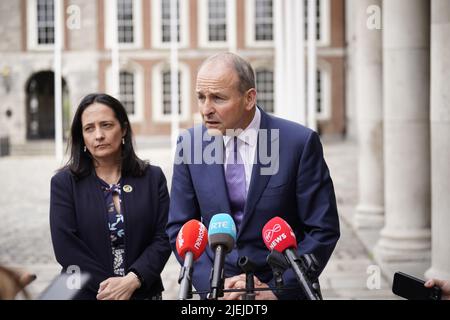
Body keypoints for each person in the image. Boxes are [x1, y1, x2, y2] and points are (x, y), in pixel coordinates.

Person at [166, 52, 340, 300]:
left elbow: (322, 229)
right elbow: (180, 227)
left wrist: (279, 288)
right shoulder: (189, 144)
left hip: (281, 289)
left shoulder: (298, 143)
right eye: (201, 97)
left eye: (218, 98)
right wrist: (215, 286)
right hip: (219, 295)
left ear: (249, 98)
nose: (206, 109)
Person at [50, 93, 171, 300]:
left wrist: (133, 280)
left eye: (106, 125)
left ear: (123, 129)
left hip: (143, 291)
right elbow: (66, 248)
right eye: (89, 128)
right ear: (82, 137)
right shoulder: (64, 183)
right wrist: (112, 289)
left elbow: (164, 237)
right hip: (87, 294)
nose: (98, 135)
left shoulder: (153, 177)